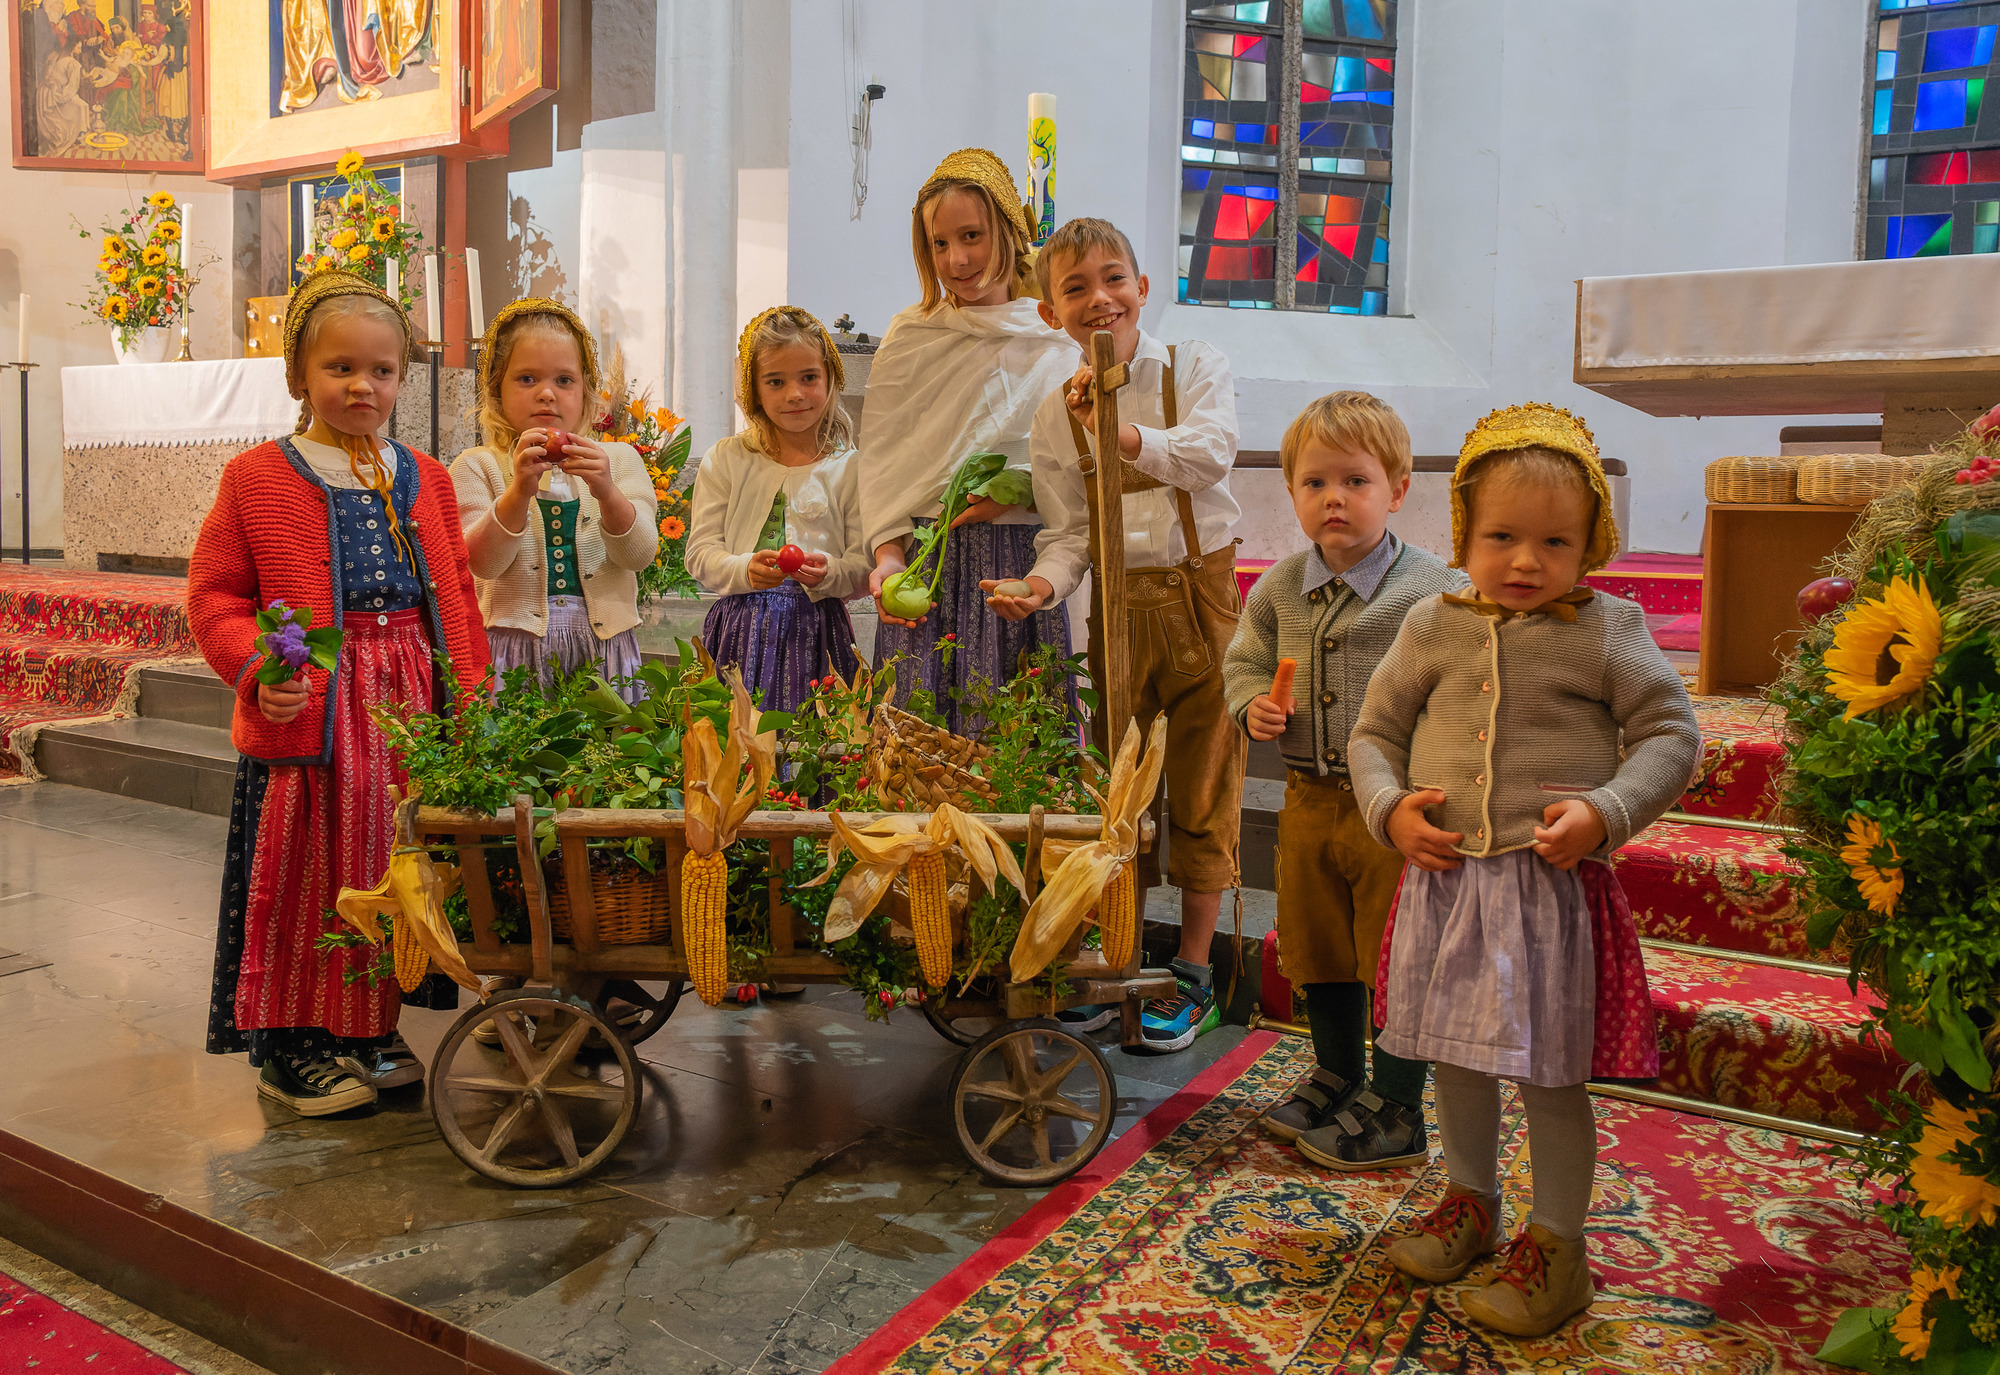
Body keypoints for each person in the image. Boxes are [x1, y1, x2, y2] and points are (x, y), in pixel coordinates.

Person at [1350, 403, 1699, 1338]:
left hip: (1545, 888)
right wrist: (1389, 809)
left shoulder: (1607, 630)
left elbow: (1672, 733)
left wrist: (1606, 811)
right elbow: (1375, 734)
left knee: (1548, 1075)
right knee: (1454, 1058)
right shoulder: (1431, 623)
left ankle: (1558, 1247)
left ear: (1594, 545)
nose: (1525, 561)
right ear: (1464, 533)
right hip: (1447, 882)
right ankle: (1470, 1201)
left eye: (1555, 541)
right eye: (1500, 536)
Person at [189, 270, 491, 1117]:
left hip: (407, 704)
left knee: (392, 868)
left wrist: (470, 690)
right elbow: (214, 595)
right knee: (304, 870)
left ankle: (367, 1025)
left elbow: (457, 592)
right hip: (318, 707)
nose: (364, 386)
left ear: (406, 376)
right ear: (298, 376)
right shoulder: (257, 478)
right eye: (341, 368)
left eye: (383, 370)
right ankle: (289, 1047)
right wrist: (262, 668)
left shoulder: (424, 477)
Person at [987, 216, 1243, 1054]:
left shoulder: (1194, 366)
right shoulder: (1054, 416)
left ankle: (1197, 975)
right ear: (1051, 312)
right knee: (1118, 799)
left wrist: (1119, 429)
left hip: (1202, 609)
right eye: (1075, 288)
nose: (1100, 298)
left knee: (1203, 796)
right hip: (1120, 616)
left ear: (1142, 286)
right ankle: (1115, 961)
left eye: (1113, 278)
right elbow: (1066, 532)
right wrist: (1037, 587)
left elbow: (1209, 454)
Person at [1221, 392, 1465, 1166]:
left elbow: (1464, 684)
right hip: (1308, 799)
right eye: (1315, 482)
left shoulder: (1433, 591)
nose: (1335, 499)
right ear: (1290, 492)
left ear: (1397, 490)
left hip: (1393, 807)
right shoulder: (1278, 588)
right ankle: (1336, 1074)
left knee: (1390, 952)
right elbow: (1245, 659)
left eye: (1356, 482)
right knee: (1318, 945)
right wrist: (1250, 703)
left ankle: (1396, 1105)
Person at [860, 148, 1077, 734]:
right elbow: (881, 462)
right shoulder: (913, 337)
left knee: (1014, 753)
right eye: (939, 243)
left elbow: (1080, 464)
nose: (956, 259)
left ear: (1008, 231)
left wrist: (1023, 493)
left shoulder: (1058, 337)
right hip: (927, 570)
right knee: (915, 756)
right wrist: (887, 557)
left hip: (1020, 567)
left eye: (972, 235)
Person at [450, 298, 657, 702]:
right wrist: (518, 492)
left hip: (605, 649)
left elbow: (640, 554)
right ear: (496, 390)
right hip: (512, 650)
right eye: (527, 379)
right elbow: (481, 564)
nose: (547, 394)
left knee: (605, 755)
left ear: (586, 392)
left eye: (564, 380)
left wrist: (607, 492)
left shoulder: (619, 459)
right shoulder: (478, 466)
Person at [686, 305, 869, 713]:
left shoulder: (851, 467)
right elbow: (700, 553)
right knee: (741, 740)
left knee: (821, 741)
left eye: (809, 378)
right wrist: (743, 569)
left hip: (819, 630)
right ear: (753, 390)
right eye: (775, 381)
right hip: (741, 630)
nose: (795, 394)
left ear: (830, 379)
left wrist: (831, 572)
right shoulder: (728, 458)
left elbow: (863, 565)